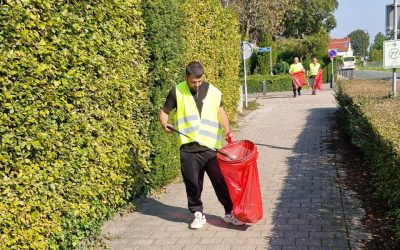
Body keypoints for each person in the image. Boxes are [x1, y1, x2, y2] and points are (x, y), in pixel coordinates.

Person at [159, 61, 245, 229]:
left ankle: (230, 213)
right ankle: (198, 214)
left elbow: (220, 112)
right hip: (188, 148)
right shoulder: (176, 91)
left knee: (221, 182)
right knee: (193, 184)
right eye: (193, 82)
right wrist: (164, 123)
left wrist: (227, 129)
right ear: (186, 77)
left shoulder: (213, 92)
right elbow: (164, 112)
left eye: (199, 81)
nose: (197, 85)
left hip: (211, 148)